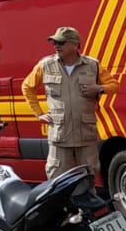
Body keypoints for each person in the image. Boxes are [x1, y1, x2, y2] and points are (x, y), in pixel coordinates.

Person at [21, 26, 120, 182]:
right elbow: (27, 87)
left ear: (74, 45)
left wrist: (98, 88)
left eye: (61, 43)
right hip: (60, 136)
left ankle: (85, 199)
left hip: (85, 135)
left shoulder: (92, 65)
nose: (56, 46)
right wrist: (39, 113)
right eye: (54, 43)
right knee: (57, 182)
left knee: (87, 179)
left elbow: (114, 86)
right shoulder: (46, 65)